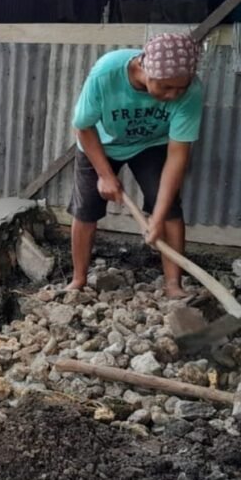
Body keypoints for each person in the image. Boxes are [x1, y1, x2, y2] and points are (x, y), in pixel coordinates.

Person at [66, 32, 203, 297]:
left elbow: (177, 156)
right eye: (165, 87)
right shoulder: (107, 73)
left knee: (171, 209)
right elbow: (82, 127)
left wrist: (158, 216)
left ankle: (174, 285)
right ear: (143, 67)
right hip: (100, 142)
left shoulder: (192, 91)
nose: (174, 95)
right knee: (85, 210)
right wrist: (105, 175)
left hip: (151, 144)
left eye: (180, 88)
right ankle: (78, 280)